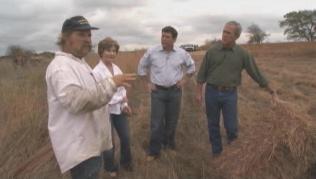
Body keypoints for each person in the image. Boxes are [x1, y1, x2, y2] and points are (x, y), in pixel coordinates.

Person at [45, 15, 135, 179]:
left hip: (89, 143)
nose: (87, 39)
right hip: (79, 147)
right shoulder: (61, 67)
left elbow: (94, 94)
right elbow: (76, 101)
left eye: (89, 35)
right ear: (65, 37)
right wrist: (111, 83)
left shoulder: (80, 63)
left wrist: (120, 97)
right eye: (81, 34)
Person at [196, 21, 276, 156]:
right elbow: (202, 74)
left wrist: (270, 90)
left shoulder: (243, 54)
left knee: (231, 126)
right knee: (213, 124)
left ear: (236, 36)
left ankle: (233, 152)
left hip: (230, 95)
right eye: (224, 31)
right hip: (211, 92)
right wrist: (199, 93)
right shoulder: (212, 51)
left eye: (228, 33)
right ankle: (217, 152)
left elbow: (256, 73)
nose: (224, 35)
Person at [137, 26, 196, 161]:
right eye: (162, 36)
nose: (163, 39)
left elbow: (192, 67)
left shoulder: (181, 53)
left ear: (174, 39)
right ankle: (154, 151)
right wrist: (147, 83)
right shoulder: (152, 52)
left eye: (167, 37)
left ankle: (169, 146)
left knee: (172, 121)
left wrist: (184, 80)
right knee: (156, 123)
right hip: (158, 92)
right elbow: (141, 67)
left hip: (175, 92)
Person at [93, 37, 133, 177]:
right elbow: (99, 95)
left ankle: (126, 163)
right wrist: (119, 99)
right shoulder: (96, 72)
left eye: (114, 51)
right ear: (101, 51)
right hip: (105, 111)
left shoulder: (116, 68)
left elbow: (122, 89)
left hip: (119, 110)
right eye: (108, 50)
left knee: (126, 138)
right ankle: (110, 168)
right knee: (109, 143)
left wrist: (125, 104)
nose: (111, 53)